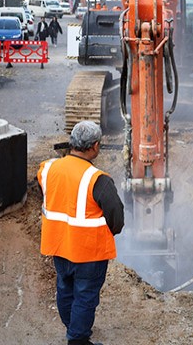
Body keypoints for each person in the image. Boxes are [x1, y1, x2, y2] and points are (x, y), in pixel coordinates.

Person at [37, 121, 125, 345]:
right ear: (94, 146)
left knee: (65, 289)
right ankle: (77, 339)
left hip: (58, 245)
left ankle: (73, 327)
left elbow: (49, 194)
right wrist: (114, 230)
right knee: (85, 296)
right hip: (89, 251)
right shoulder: (98, 179)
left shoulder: (47, 169)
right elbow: (116, 213)